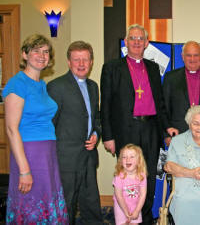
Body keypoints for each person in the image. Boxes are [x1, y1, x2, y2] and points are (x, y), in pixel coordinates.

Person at [100, 24, 178, 224]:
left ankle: (144, 218)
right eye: (132, 38)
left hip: (151, 129)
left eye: (140, 39)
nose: (136, 42)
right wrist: (108, 136)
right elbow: (106, 104)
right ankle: (127, 217)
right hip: (125, 130)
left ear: (146, 43)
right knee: (128, 177)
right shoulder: (111, 67)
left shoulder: (152, 68)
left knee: (149, 176)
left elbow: (159, 103)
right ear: (126, 42)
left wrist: (166, 129)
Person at [3, 34, 68, 224]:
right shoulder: (17, 83)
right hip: (29, 153)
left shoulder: (41, 85)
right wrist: (24, 170)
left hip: (47, 153)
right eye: (36, 51)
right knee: (31, 202)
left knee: (49, 199)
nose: (42, 55)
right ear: (25, 54)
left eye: (46, 51)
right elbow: (11, 129)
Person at [47, 41, 103, 224]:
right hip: (66, 158)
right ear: (69, 62)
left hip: (88, 155)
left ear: (91, 62)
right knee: (67, 204)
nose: (81, 64)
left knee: (91, 202)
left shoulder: (94, 87)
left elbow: (96, 119)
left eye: (85, 59)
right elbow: (49, 124)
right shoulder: (56, 87)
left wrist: (96, 134)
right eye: (76, 60)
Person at [162, 41, 200, 145]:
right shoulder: (171, 77)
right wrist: (167, 135)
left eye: (196, 55)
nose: (192, 59)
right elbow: (164, 108)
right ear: (182, 56)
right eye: (188, 55)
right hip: (179, 135)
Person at [113, 144, 147, 225]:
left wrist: (137, 211)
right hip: (121, 206)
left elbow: (143, 195)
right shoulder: (119, 177)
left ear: (139, 160)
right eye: (124, 157)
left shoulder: (142, 176)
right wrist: (125, 211)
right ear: (121, 161)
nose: (128, 159)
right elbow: (119, 196)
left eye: (132, 157)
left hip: (135, 205)